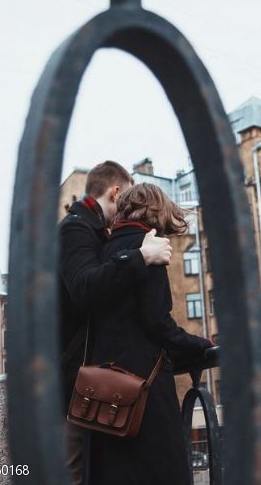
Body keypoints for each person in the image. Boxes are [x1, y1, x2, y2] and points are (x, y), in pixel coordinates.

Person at [87, 183, 212, 485]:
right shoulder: (150, 249)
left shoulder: (105, 250)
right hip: (143, 389)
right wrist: (199, 344)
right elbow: (157, 322)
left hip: (104, 388)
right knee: (160, 468)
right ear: (157, 210)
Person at [59, 162, 173, 485]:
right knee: (73, 469)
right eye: (124, 200)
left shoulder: (92, 229)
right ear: (116, 192)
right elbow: (84, 287)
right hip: (74, 377)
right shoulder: (76, 227)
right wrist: (141, 256)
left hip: (90, 374)